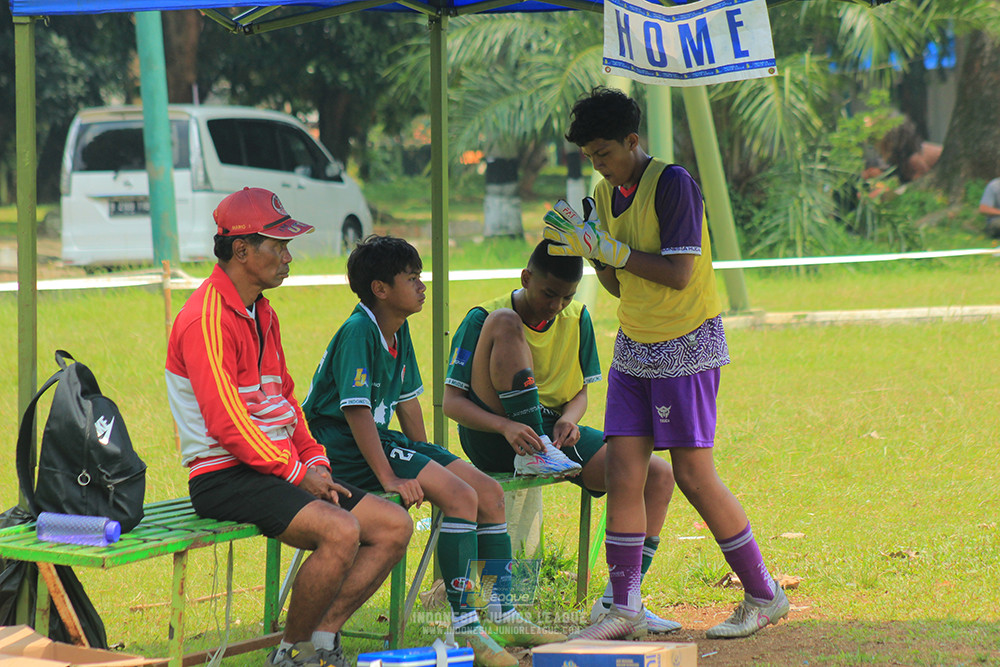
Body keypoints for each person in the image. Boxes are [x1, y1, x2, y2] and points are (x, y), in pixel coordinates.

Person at [544, 87, 789, 641]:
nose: (598, 165)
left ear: (633, 141)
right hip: (634, 345)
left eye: (604, 153)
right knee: (626, 472)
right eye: (589, 158)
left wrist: (614, 252)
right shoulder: (605, 194)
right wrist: (589, 248)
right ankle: (624, 607)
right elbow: (614, 281)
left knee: (693, 475)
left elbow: (679, 273)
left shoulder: (674, 184)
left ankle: (763, 593)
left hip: (686, 344)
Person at [165, 188, 413, 667]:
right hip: (222, 474)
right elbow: (226, 423)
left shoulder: (263, 311)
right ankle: (291, 653)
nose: (287, 256)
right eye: (277, 246)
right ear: (241, 250)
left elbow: (286, 404)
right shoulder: (205, 316)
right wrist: (297, 472)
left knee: (393, 525)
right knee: (340, 531)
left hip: (272, 466)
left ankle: (322, 638)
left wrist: (314, 459)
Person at [302, 235, 565, 667]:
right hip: (344, 449)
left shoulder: (396, 327)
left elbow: (407, 401)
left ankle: (505, 612)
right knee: (462, 497)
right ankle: (467, 630)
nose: (422, 286)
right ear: (380, 289)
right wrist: (390, 476)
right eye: (412, 278)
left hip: (380, 441)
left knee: (488, 493)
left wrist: (428, 456)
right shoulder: (358, 330)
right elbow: (356, 412)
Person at [441, 238, 679, 634]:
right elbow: (451, 403)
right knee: (505, 322)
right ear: (526, 278)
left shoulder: (578, 317)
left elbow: (581, 392)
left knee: (657, 476)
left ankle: (620, 601)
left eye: (566, 297)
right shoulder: (485, 316)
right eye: (549, 294)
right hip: (494, 430)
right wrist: (505, 425)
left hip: (554, 437)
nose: (555, 305)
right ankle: (535, 449)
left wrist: (570, 418)